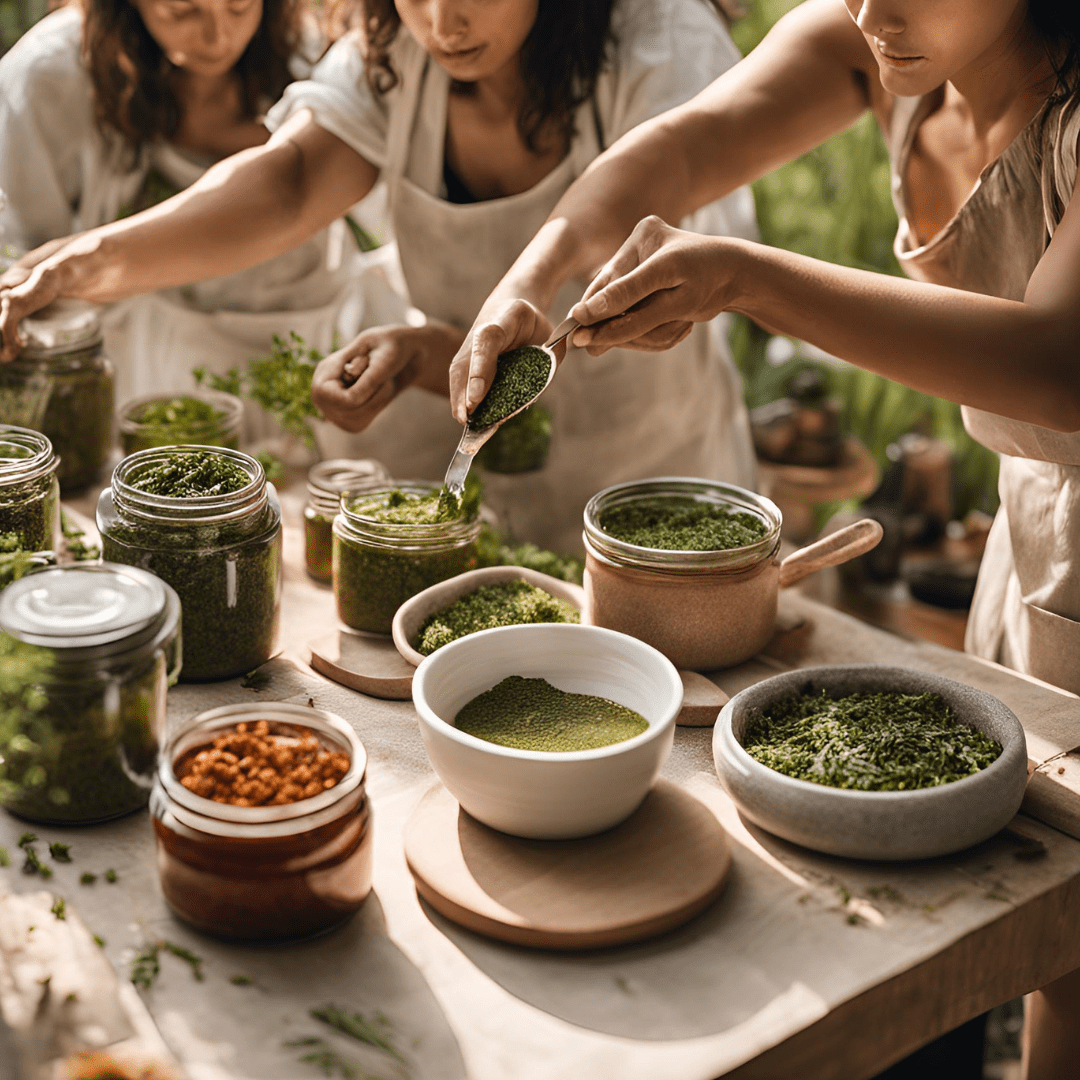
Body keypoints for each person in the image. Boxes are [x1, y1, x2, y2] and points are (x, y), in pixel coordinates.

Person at [443, 1, 1080, 1074]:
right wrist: (529, 279)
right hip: (1033, 534)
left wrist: (749, 278)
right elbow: (679, 149)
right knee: (1041, 912)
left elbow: (1060, 365)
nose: (875, 11)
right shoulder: (881, 44)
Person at [0, 0, 758, 552]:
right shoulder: (396, 49)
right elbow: (290, 183)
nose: (443, 23)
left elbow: (669, 256)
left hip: (652, 475)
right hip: (466, 469)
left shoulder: (661, 42)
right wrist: (77, 263)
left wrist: (446, 346)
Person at [0, 0, 375, 413]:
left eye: (240, 6)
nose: (218, 38)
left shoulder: (314, 52)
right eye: (181, 10)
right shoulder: (45, 75)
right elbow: (27, 243)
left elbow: (295, 190)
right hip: (138, 372)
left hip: (298, 345)